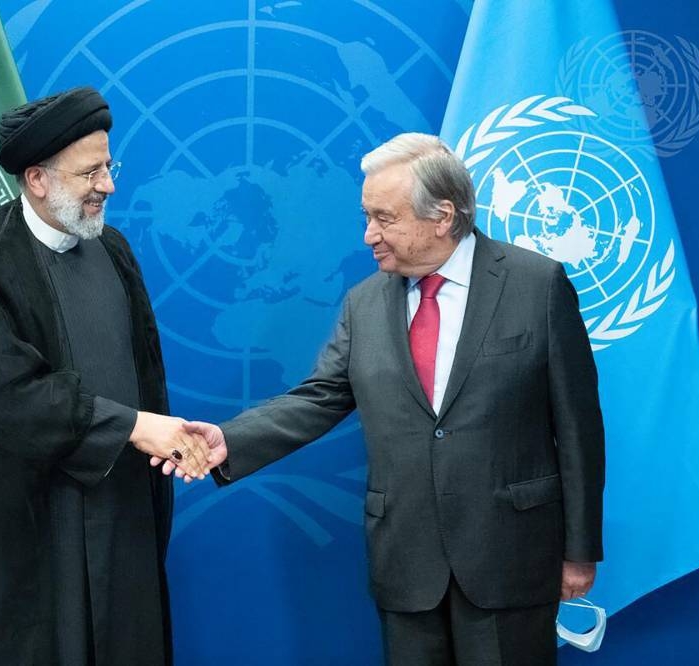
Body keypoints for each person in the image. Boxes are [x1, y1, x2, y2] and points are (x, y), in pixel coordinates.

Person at [162, 133, 605, 665]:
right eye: (367, 215)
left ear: (442, 216)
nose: (369, 234)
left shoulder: (537, 284)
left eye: (385, 218)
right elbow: (319, 398)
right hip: (408, 564)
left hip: (509, 557)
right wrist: (227, 440)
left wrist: (579, 550)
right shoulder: (365, 304)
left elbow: (579, 429)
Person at [0, 86, 210, 665]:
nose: (108, 186)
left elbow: (145, 375)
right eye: (89, 173)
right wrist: (134, 426)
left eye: (108, 167)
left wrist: (164, 438)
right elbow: (5, 397)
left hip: (122, 516)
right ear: (36, 179)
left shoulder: (113, 250)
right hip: (32, 531)